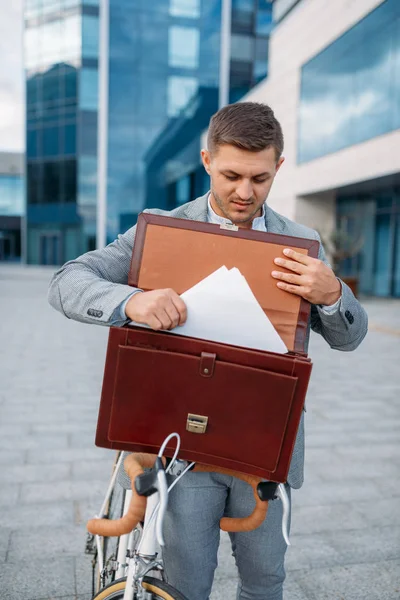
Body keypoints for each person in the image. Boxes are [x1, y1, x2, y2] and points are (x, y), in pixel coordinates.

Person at [48, 102, 368, 600]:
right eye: (231, 175)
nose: (245, 192)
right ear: (206, 161)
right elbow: (67, 281)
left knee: (266, 579)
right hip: (182, 445)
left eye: (260, 178)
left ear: (279, 167)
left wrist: (333, 295)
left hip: (265, 444)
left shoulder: (303, 241)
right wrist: (131, 300)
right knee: (186, 584)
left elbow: (350, 337)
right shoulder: (159, 229)